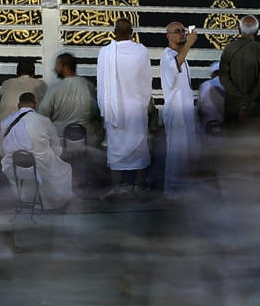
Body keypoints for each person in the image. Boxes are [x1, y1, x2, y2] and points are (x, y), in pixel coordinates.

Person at [96, 19, 152, 196]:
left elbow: (101, 83)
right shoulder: (141, 52)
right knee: (139, 147)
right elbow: (146, 80)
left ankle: (116, 188)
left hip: (115, 110)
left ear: (114, 32)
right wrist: (143, 100)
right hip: (136, 108)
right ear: (132, 32)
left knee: (115, 148)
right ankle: (140, 186)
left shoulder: (105, 53)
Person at [0, 92, 72, 211]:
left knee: (25, 171)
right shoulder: (44, 121)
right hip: (40, 166)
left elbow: (1, 148)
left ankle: (25, 199)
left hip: (14, 167)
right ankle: (50, 202)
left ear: (19, 105)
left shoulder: (6, 121)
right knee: (66, 168)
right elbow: (56, 148)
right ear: (35, 105)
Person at [160, 23, 199, 195]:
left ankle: (183, 190)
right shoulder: (167, 55)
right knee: (176, 155)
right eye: (177, 32)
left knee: (186, 153)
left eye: (184, 31)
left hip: (185, 112)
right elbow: (175, 65)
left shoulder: (180, 55)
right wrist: (189, 43)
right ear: (168, 36)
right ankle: (172, 192)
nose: (182, 34)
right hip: (176, 114)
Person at [37, 53, 101, 147]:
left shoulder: (55, 88)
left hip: (60, 142)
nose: (54, 69)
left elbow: (42, 114)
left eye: (57, 65)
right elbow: (97, 113)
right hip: (86, 141)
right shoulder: (88, 86)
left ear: (65, 67)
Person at [219, 15, 260, 131]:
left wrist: (241, 100)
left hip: (233, 106)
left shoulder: (229, 49)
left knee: (232, 145)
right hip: (256, 106)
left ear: (239, 29)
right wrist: (249, 101)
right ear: (257, 31)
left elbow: (224, 78)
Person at [0, 58, 47, 136]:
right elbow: (46, 111)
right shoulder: (41, 85)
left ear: (17, 73)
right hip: (26, 135)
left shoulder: (6, 84)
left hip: (2, 133)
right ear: (33, 74)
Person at [197, 61, 225, 134]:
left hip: (207, 125)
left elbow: (199, 107)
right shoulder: (229, 85)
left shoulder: (204, 85)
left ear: (212, 74)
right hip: (224, 126)